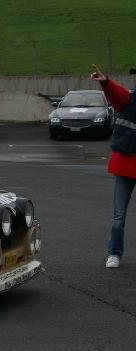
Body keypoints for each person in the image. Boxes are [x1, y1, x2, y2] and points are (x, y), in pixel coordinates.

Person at [91, 64, 136, 268]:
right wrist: (105, 82)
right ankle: (114, 254)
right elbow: (116, 94)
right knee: (119, 216)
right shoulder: (129, 99)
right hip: (126, 167)